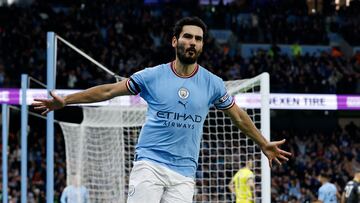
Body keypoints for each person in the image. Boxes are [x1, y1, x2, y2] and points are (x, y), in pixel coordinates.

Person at [32, 16, 291, 203]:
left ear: (202, 46)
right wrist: (66, 101)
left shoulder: (213, 83)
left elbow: (238, 116)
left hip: (185, 173)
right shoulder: (152, 76)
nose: (192, 42)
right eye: (187, 37)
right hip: (150, 164)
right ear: (175, 41)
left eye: (198, 39)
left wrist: (262, 143)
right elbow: (109, 91)